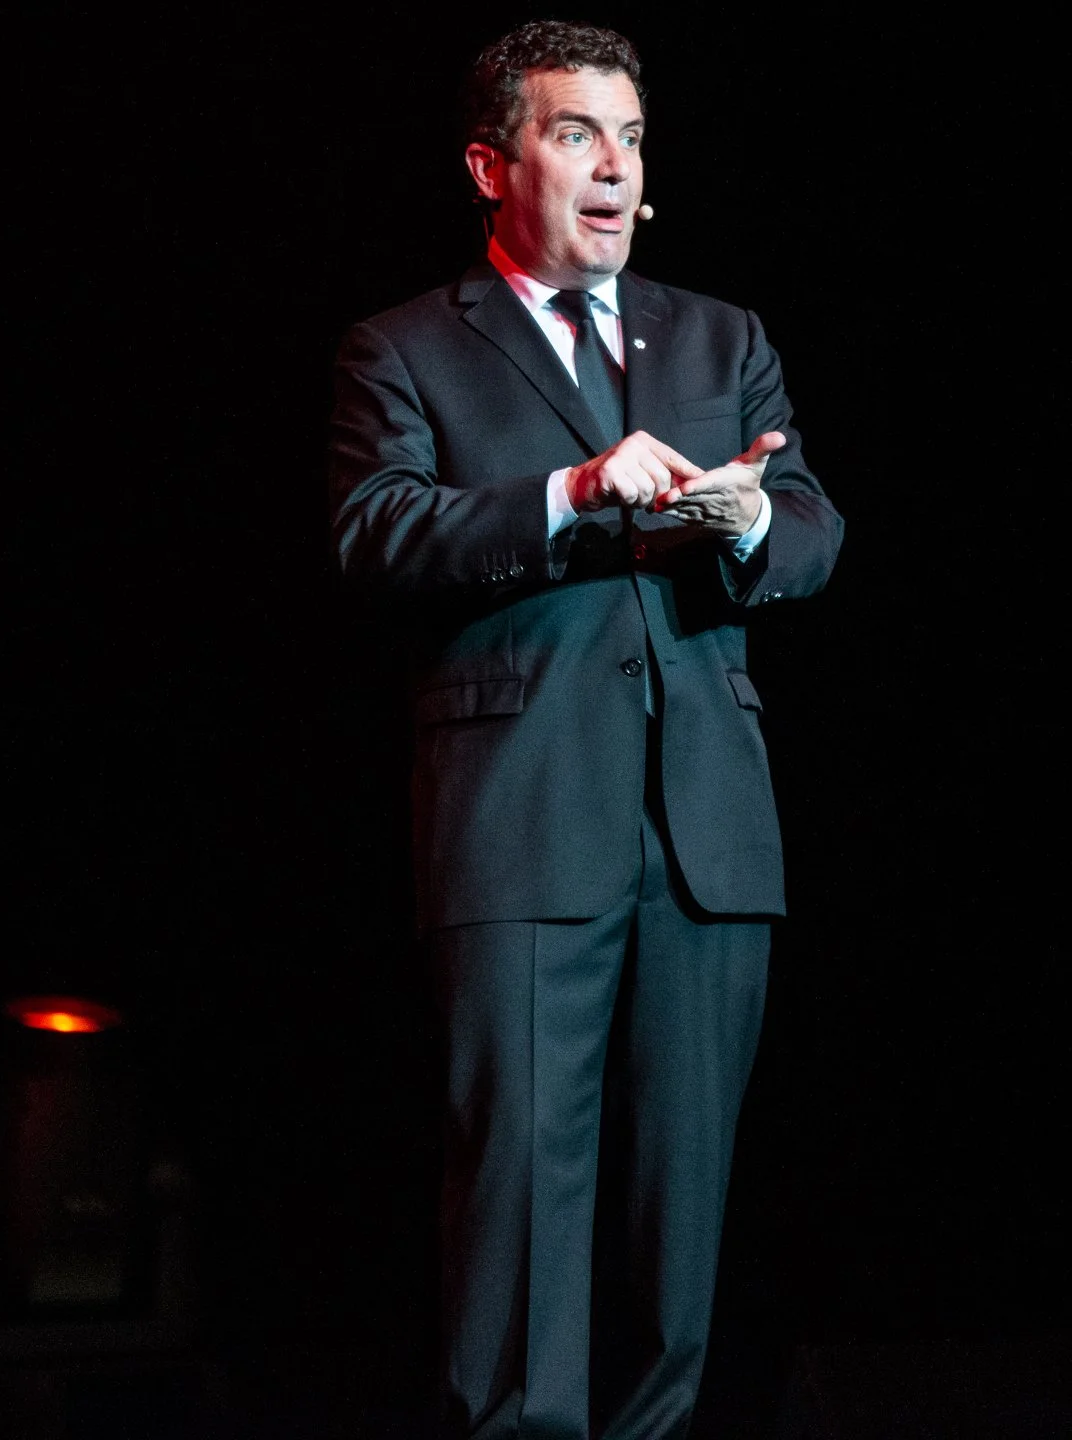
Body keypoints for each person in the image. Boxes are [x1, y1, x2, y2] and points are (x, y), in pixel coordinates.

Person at [326, 20, 842, 1438]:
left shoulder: (722, 337)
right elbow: (378, 534)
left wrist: (747, 521)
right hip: (526, 812)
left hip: (706, 828)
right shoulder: (406, 348)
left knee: (684, 1200)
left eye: (630, 138)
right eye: (574, 135)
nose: (614, 168)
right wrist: (573, 491)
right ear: (491, 166)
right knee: (522, 1192)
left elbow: (813, 530)